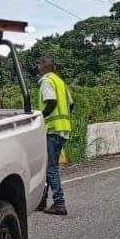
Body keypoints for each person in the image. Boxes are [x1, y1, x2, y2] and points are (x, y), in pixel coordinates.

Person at [35, 55, 72, 216]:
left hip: (52, 129)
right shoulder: (60, 82)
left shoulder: (46, 81)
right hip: (63, 129)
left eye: (38, 64)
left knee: (50, 169)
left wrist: (40, 118)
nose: (37, 67)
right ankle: (42, 201)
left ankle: (59, 203)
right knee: (49, 167)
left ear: (43, 66)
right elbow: (71, 104)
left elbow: (51, 102)